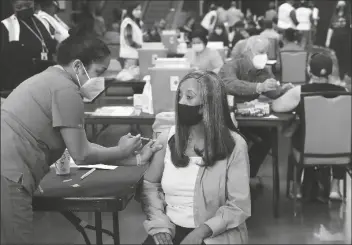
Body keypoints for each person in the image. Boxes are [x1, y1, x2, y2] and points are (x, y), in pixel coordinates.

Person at [0, 32, 163, 245]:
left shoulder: (49, 79)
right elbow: (82, 154)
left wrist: (134, 159)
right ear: (78, 66)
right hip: (10, 173)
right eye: (98, 72)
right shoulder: (66, 90)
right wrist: (121, 151)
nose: (99, 80)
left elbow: (78, 145)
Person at [141, 70, 251, 245]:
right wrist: (160, 224)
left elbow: (238, 206)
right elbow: (150, 184)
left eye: (189, 97)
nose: (181, 102)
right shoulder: (168, 138)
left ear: (209, 104)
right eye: (180, 96)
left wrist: (201, 232)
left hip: (215, 233)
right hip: (170, 229)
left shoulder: (235, 145)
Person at [218, 35, 294, 186]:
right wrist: (259, 87)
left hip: (248, 117)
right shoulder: (231, 66)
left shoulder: (263, 71)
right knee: (238, 143)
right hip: (227, 117)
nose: (263, 56)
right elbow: (229, 84)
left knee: (267, 139)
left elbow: (272, 91)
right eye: (260, 51)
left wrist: (283, 90)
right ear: (247, 51)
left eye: (265, 52)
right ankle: (230, 178)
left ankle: (245, 176)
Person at [271, 53, 348, 201]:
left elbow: (276, 107)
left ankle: (297, 188)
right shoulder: (344, 93)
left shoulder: (300, 91)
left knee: (296, 135)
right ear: (330, 72)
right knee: (338, 136)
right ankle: (335, 187)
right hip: (340, 153)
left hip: (306, 152)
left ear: (309, 70)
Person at [0, 0, 57, 95]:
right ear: (13, 5)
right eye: (19, 7)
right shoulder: (6, 25)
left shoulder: (42, 21)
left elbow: (53, 44)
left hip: (46, 80)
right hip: (20, 83)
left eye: (27, 5)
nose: (24, 9)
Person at [325, 0, 351, 81]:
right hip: (336, 40)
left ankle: (345, 74)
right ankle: (340, 76)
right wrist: (327, 40)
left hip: (346, 40)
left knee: (345, 57)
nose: (340, 6)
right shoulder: (334, 16)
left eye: (342, 4)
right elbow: (330, 28)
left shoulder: (348, 16)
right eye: (339, 4)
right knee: (338, 58)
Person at [119, 3, 143, 68]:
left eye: (140, 9)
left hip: (134, 55)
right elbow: (129, 40)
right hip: (129, 56)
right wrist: (141, 47)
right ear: (131, 10)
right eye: (136, 9)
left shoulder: (134, 23)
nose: (139, 11)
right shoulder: (128, 22)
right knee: (129, 76)